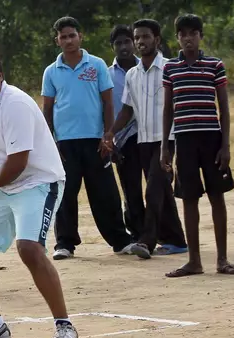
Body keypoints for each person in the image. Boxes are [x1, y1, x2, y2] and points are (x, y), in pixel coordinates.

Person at [0, 43, 79, 338]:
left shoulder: (16, 104)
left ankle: (65, 328)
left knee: (29, 249)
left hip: (40, 183)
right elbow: (6, 156)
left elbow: (20, 161)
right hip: (8, 184)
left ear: (1, 76)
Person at [41, 16, 144, 260]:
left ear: (80, 36)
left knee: (105, 192)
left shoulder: (96, 65)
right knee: (66, 194)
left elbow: (108, 102)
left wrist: (108, 135)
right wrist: (51, 141)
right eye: (63, 36)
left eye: (72, 35)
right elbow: (47, 108)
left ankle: (120, 240)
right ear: (57, 40)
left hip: (96, 140)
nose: (68, 40)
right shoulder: (51, 71)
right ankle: (65, 244)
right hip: (65, 142)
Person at [161, 15, 234, 277]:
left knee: (216, 196)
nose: (188, 38)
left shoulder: (214, 65)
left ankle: (222, 259)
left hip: (211, 139)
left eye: (193, 33)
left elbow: (224, 108)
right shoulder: (170, 68)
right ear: (177, 38)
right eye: (183, 33)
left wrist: (226, 144)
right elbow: (167, 109)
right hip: (184, 140)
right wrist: (166, 146)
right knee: (188, 198)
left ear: (201, 36)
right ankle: (194, 261)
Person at [103, 19, 188, 259]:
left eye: (145, 37)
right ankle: (177, 241)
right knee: (162, 191)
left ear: (157, 40)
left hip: (167, 139)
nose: (141, 42)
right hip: (143, 141)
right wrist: (111, 132)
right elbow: (128, 110)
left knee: (153, 190)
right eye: (138, 37)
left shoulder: (171, 68)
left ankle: (147, 241)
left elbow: (180, 105)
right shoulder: (132, 74)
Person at [107, 24, 145, 243]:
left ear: (134, 43)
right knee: (131, 189)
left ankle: (159, 231)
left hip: (148, 136)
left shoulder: (146, 68)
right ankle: (138, 233)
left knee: (156, 187)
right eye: (118, 43)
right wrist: (109, 138)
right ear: (113, 46)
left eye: (127, 41)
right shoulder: (106, 75)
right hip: (122, 140)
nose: (124, 47)